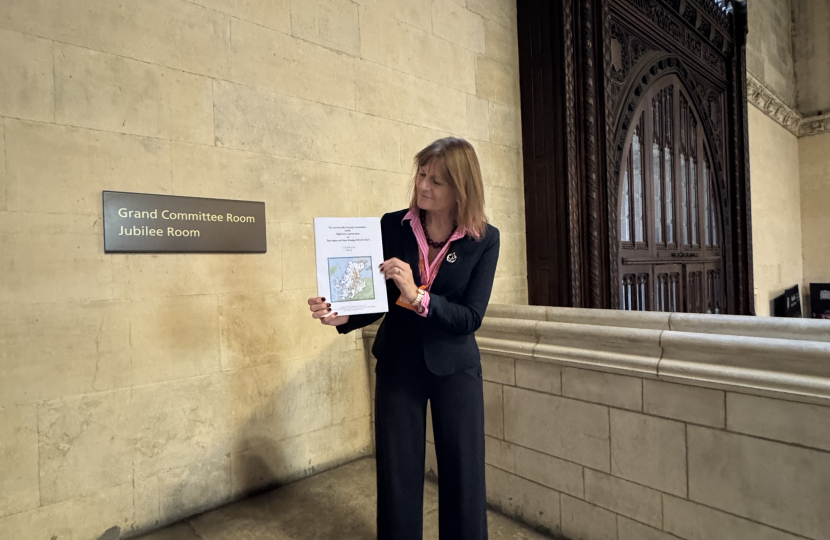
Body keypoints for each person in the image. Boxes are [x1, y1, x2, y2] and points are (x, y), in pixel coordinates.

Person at [307, 137, 499, 540]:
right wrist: (343, 314)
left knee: (464, 475)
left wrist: (419, 296)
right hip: (398, 365)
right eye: (422, 175)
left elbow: (470, 317)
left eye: (437, 181)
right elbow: (376, 298)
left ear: (461, 188)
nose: (424, 186)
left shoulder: (484, 239)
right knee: (397, 475)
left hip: (455, 369)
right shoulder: (391, 225)